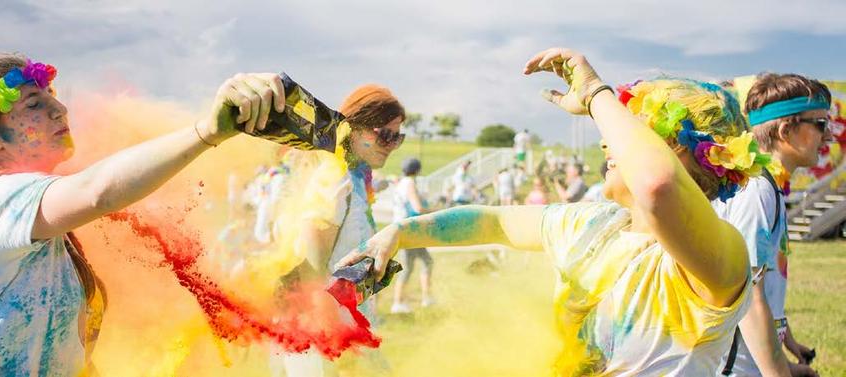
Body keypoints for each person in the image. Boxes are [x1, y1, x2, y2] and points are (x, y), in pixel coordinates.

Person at [338, 48, 766, 375]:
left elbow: (657, 186)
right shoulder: (597, 224)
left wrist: (598, 92)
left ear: (680, 154)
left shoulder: (723, 259)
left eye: (632, 130)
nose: (608, 141)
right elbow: (494, 221)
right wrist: (399, 232)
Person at [0, 54, 284, 375]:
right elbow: (98, 191)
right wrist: (208, 130)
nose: (60, 109)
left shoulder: (39, 220)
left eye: (52, 96)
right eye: (35, 104)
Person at [273, 84, 405, 376]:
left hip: (348, 325)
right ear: (355, 128)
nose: (391, 143)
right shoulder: (333, 178)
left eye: (398, 137)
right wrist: (332, 333)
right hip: (321, 330)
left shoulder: (357, 178)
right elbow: (310, 269)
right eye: (385, 134)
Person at [714, 73, 831, 377]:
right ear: (785, 130)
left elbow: (766, 284)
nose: (829, 137)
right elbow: (748, 296)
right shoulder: (757, 191)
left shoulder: (769, 187)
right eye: (820, 125)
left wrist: (789, 348)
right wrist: (779, 373)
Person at [389, 158, 434, 314]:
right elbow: (418, 207)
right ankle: (398, 302)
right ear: (417, 170)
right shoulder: (409, 183)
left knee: (427, 261)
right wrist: (435, 211)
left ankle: (426, 297)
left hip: (406, 229)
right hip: (408, 230)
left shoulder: (402, 182)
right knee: (409, 267)